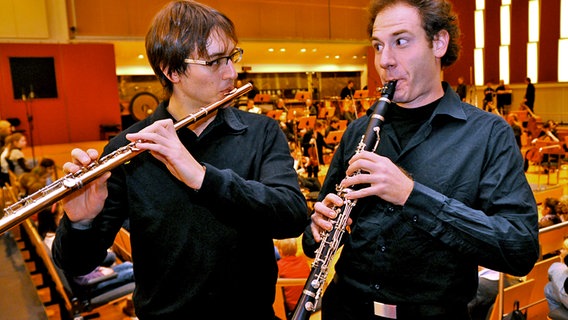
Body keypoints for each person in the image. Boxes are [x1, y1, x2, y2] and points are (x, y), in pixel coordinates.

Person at [52, 1, 308, 319]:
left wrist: (203, 177)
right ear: (171, 70)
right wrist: (80, 222)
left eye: (232, 57)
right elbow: (77, 264)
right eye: (215, 62)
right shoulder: (129, 148)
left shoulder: (261, 132)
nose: (232, 72)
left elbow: (292, 216)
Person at [301, 1, 539, 319]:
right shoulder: (360, 130)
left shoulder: (489, 134)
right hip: (346, 309)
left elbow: (519, 249)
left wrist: (412, 195)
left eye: (401, 41)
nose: (385, 61)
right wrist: (316, 230)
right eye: (377, 46)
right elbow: (314, 240)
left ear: (438, 43)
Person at [274, 238, 310, 317]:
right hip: (307, 300)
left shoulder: (280, 266)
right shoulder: (303, 260)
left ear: (280, 251)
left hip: (293, 307)